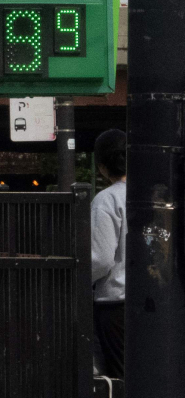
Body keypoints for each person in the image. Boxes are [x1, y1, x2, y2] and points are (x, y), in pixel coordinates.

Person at [91, 128, 127, 378]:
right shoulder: (157, 194)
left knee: (122, 377)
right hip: (157, 301)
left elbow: (101, 259)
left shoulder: (106, 201)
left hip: (115, 305)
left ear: (102, 167)